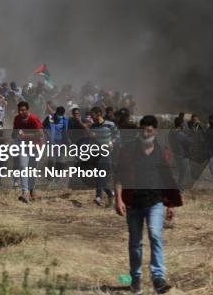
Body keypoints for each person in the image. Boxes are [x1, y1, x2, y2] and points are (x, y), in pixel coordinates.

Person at [114, 115, 182, 295]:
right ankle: (135, 280)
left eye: (149, 130)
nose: (145, 133)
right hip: (133, 203)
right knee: (135, 242)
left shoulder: (163, 153)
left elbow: (169, 180)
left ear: (155, 131)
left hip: (155, 202)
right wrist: (118, 198)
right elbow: (119, 176)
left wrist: (171, 205)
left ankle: (158, 278)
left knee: (155, 234)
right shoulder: (128, 151)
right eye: (143, 129)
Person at [12, 101, 42, 203]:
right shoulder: (17, 119)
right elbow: (15, 131)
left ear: (27, 110)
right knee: (23, 167)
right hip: (23, 146)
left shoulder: (34, 119)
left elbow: (40, 134)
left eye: (23, 110)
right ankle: (25, 192)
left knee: (32, 170)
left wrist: (26, 136)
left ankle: (32, 191)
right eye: (19, 110)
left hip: (35, 147)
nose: (20, 112)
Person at [89, 106, 119, 207]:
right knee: (99, 177)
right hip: (96, 154)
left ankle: (98, 196)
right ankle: (111, 193)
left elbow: (117, 135)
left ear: (98, 114)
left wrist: (111, 142)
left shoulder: (110, 124)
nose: (91, 117)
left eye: (92, 115)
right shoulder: (92, 126)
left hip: (106, 154)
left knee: (99, 176)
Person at [168, 116, 193, 191]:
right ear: (181, 124)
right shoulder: (180, 134)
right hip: (182, 156)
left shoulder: (171, 132)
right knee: (183, 174)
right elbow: (190, 142)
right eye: (183, 123)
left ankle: (179, 188)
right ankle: (180, 190)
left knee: (180, 173)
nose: (184, 125)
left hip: (176, 155)